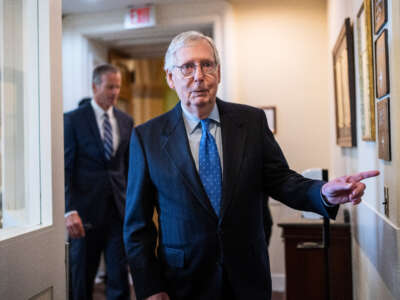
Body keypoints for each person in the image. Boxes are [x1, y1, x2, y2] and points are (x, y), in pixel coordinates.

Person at [123, 31, 379, 300]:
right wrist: (150, 287)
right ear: (170, 78)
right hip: (182, 282)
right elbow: (137, 226)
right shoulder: (146, 137)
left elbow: (281, 180)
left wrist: (323, 192)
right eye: (187, 67)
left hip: (247, 278)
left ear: (218, 73)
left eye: (207, 65)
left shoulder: (251, 122)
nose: (199, 75)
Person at [65, 64, 134, 300]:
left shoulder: (126, 121)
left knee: (119, 280)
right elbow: (66, 168)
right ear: (95, 86)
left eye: (118, 87)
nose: (115, 92)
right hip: (84, 215)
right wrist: (69, 209)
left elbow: (128, 168)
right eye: (110, 86)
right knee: (81, 280)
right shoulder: (73, 120)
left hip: (118, 212)